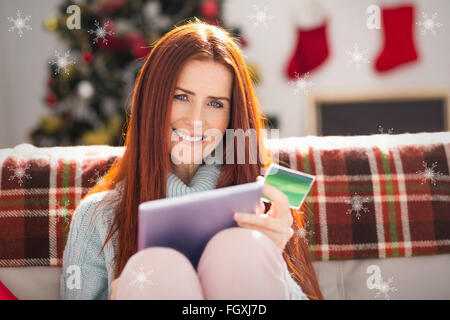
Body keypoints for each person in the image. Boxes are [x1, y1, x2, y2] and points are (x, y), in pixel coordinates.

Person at [60, 20, 323, 300]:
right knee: (155, 270)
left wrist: (273, 257)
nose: (196, 121)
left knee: (242, 248)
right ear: (153, 101)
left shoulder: (268, 202)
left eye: (215, 103)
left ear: (233, 116)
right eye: (181, 97)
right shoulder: (97, 216)